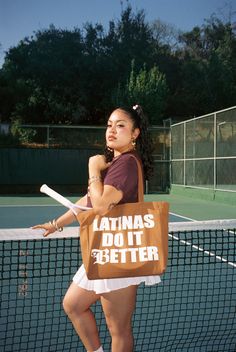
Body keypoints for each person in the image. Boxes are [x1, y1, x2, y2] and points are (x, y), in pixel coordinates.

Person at [33, 105, 161, 352]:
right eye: (109, 124)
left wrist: (93, 167)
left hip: (119, 255)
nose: (112, 130)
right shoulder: (117, 161)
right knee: (73, 304)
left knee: (119, 330)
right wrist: (56, 224)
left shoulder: (125, 163)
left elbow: (100, 206)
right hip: (104, 250)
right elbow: (88, 200)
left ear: (135, 133)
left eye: (120, 125)